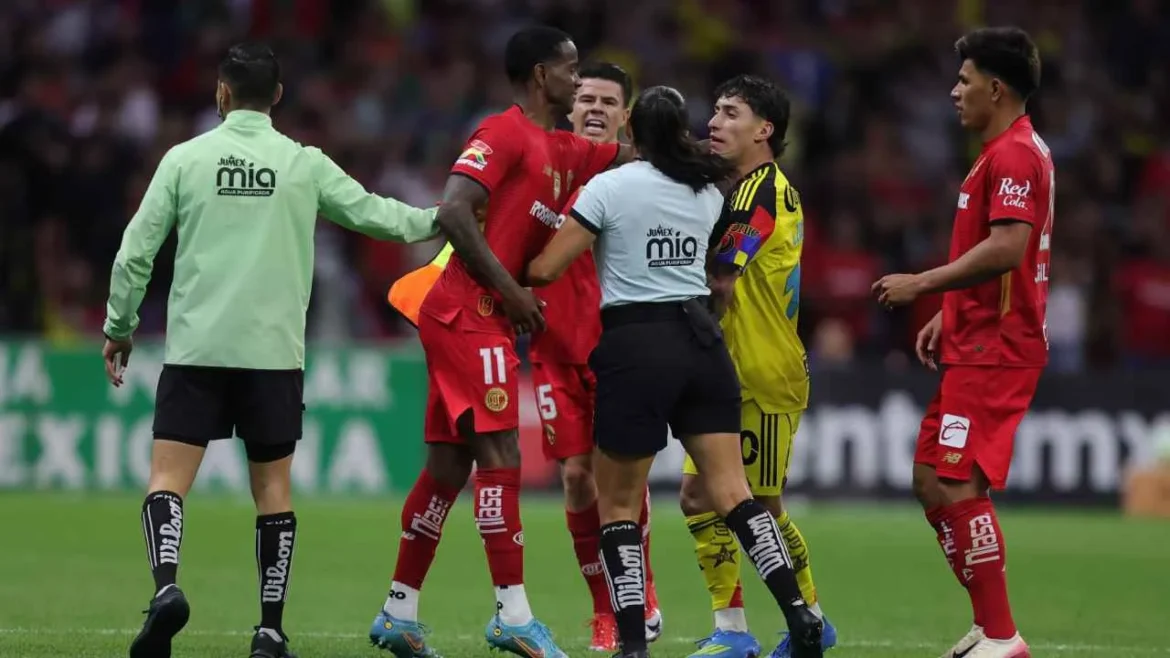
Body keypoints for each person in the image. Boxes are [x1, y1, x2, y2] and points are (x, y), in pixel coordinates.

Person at [100, 42, 441, 658]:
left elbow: (135, 251)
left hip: (197, 348)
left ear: (222, 93)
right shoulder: (303, 162)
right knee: (273, 493)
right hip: (273, 355)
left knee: (167, 481)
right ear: (279, 97)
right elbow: (379, 216)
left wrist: (119, 325)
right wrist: (447, 218)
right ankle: (269, 629)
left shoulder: (186, 159)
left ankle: (167, 589)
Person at [527, 85, 823, 658]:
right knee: (736, 496)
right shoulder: (708, 191)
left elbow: (545, 269)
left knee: (616, 506)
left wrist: (518, 248)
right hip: (704, 347)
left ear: (631, 130)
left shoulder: (608, 187)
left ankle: (633, 645)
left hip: (637, 344)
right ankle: (798, 614)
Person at [368, 27, 636, 658]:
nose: (580, 83)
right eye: (571, 72)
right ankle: (512, 615)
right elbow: (455, 210)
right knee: (501, 453)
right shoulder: (503, 132)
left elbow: (627, 160)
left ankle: (397, 611)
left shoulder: (563, 147)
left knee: (446, 467)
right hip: (469, 308)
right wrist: (512, 293)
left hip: (477, 314)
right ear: (543, 76)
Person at [871, 26, 1050, 658]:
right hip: (974, 339)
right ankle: (988, 626)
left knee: (956, 485)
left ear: (995, 88)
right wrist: (951, 311)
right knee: (931, 478)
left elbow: (1008, 249)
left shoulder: (1015, 156)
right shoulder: (1001, 151)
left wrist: (923, 283)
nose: (955, 92)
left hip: (997, 349)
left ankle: (1003, 638)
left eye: (964, 80)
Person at [681, 75, 838, 658]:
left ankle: (804, 622)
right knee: (703, 497)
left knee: (757, 506)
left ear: (763, 130)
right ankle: (735, 629)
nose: (715, 123)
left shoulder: (759, 194)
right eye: (714, 111)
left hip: (760, 371)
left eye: (730, 113)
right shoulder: (750, 189)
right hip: (738, 366)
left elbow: (722, 275)